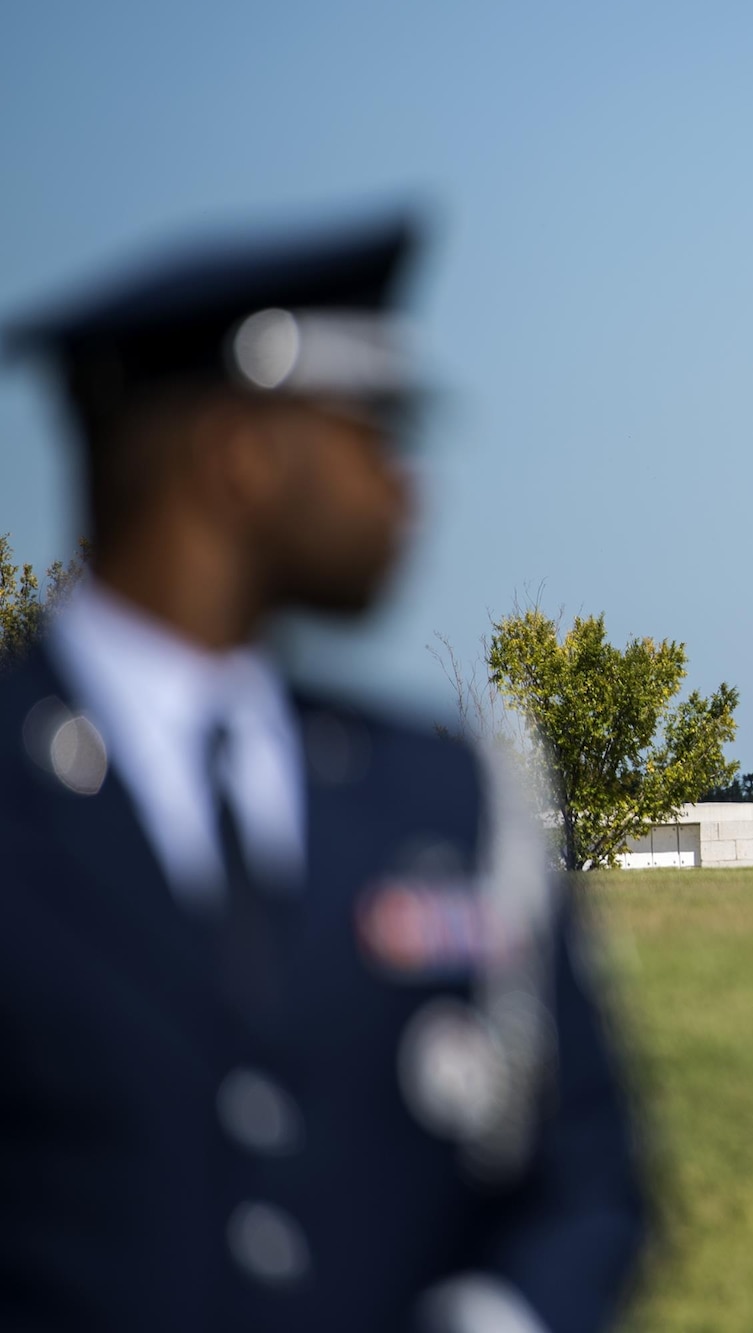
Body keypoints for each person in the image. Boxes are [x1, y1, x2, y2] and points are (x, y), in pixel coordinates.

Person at [0, 213, 648, 1332]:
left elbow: (584, 1167)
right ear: (241, 455)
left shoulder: (450, 798)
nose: (407, 488)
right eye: (371, 432)